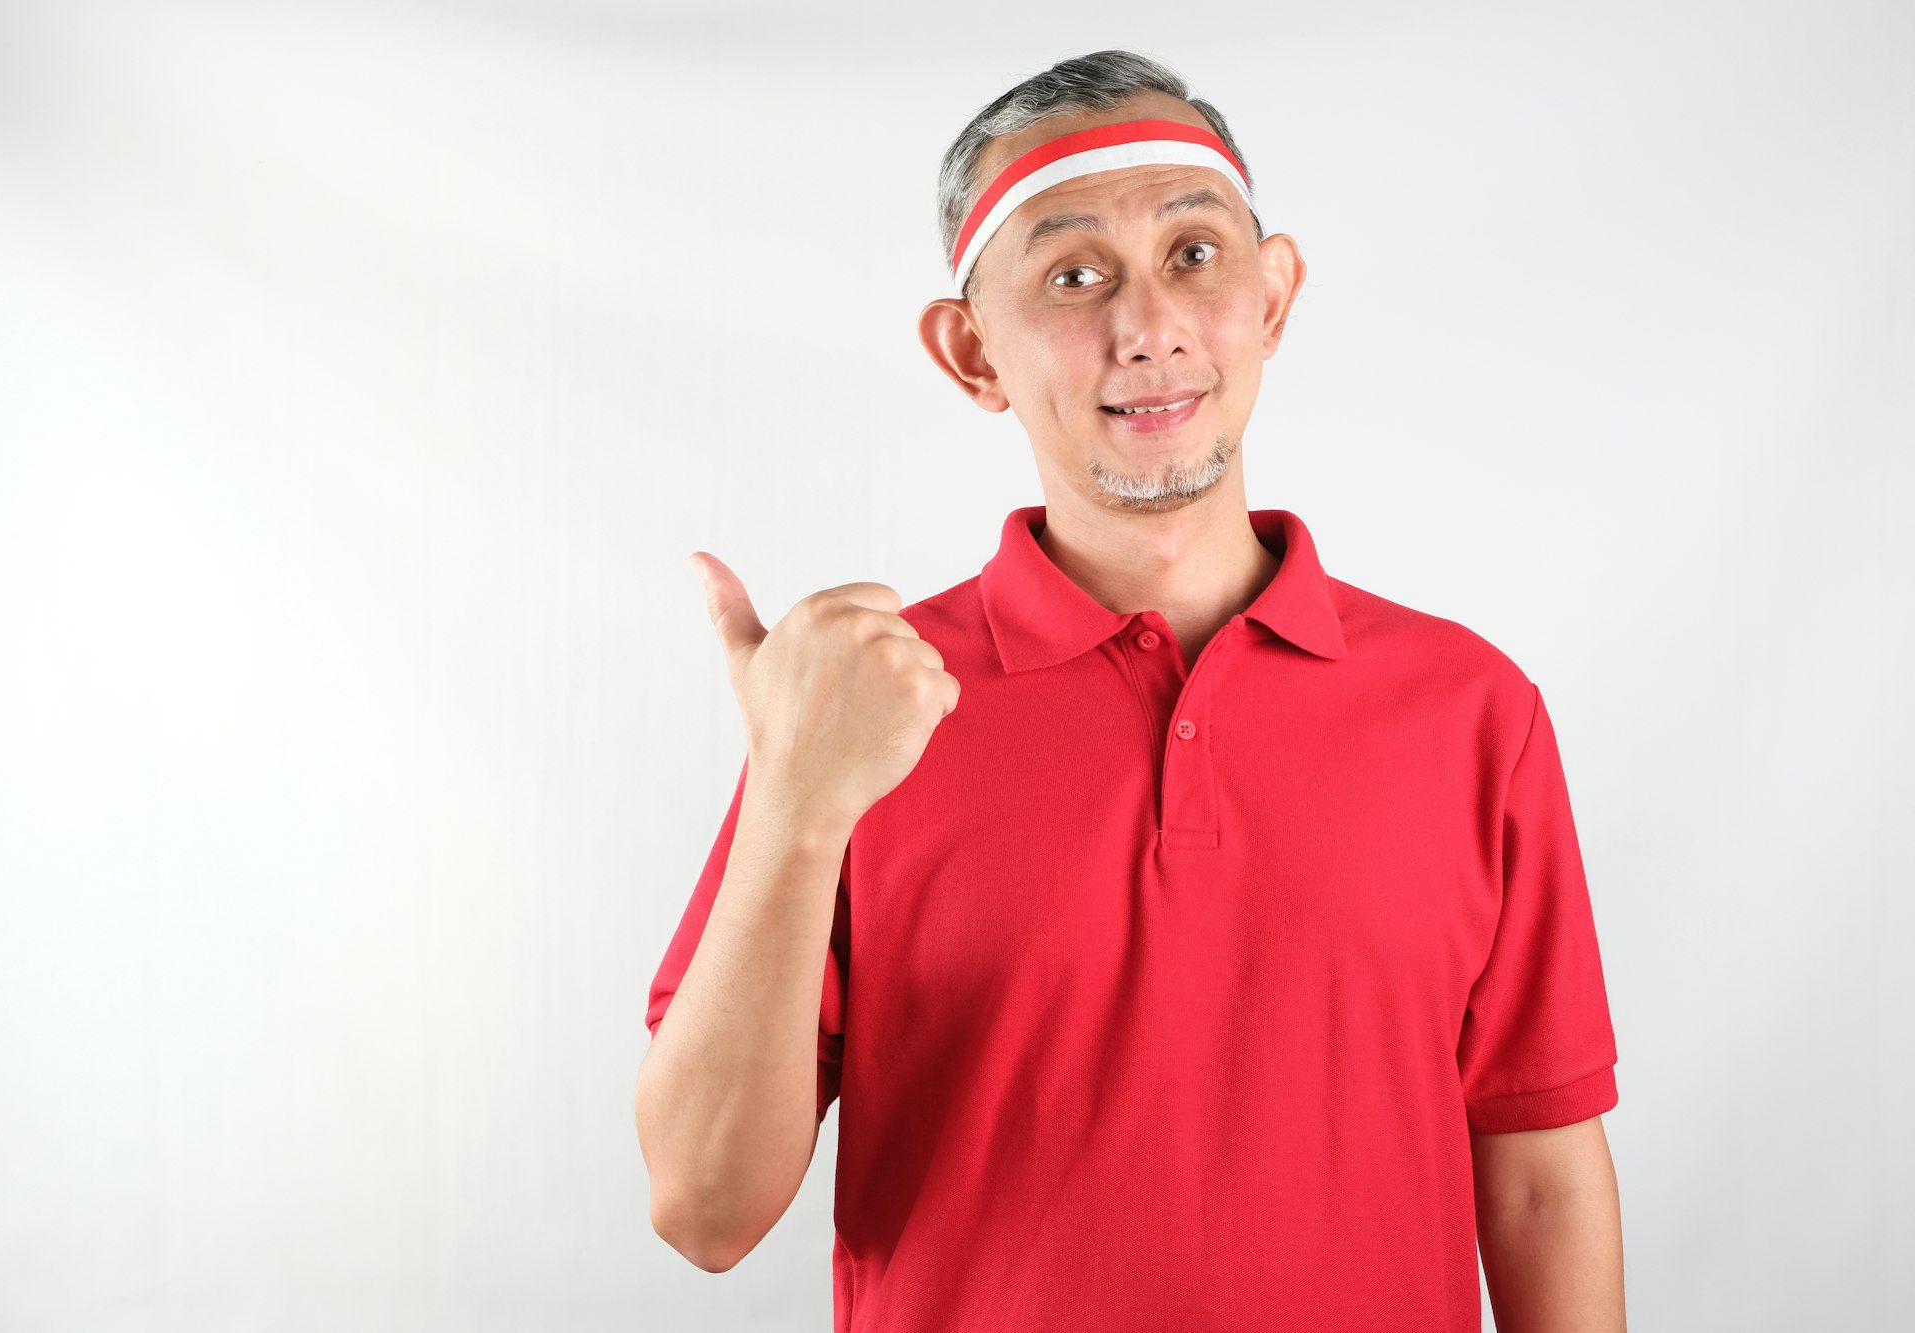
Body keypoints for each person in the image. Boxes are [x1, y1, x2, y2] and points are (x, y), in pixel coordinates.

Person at [635, 49, 1625, 1332]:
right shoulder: (857, 713)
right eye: (1070, 274)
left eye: (1194, 256)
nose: (1147, 322)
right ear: (970, 353)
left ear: (1271, 300)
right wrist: (794, 808)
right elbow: (703, 1211)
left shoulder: (1471, 711)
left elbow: (1541, 1174)